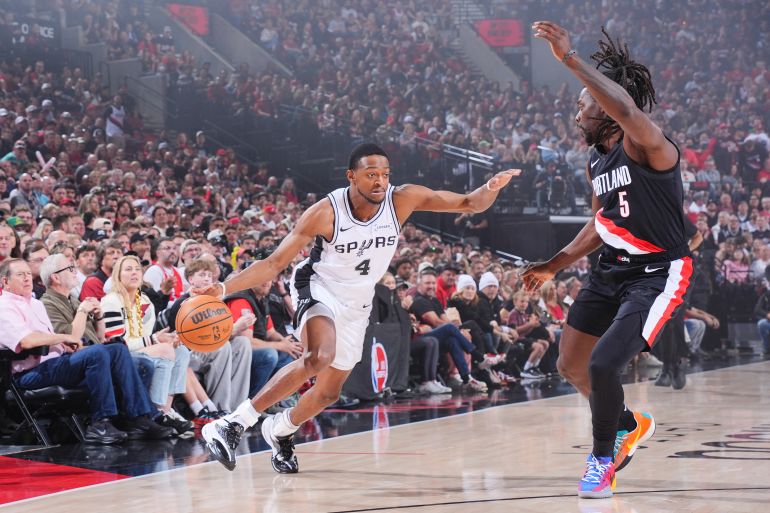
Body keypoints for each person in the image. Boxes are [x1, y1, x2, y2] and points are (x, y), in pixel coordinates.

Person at [199, 143, 518, 472]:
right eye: (371, 175)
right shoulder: (326, 211)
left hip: (359, 298)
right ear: (351, 176)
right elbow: (274, 263)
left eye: (385, 174)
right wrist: (223, 287)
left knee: (327, 394)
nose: (380, 181)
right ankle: (233, 424)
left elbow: (469, 203)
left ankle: (280, 430)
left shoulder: (401, 198)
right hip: (319, 285)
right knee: (317, 356)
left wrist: (490, 187)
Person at [523, 22, 692, 498]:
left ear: (608, 111)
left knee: (602, 366)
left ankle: (603, 460)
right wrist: (555, 263)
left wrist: (571, 59)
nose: (577, 110)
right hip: (612, 268)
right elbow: (603, 223)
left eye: (584, 103)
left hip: (657, 273)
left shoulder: (648, 144)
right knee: (571, 365)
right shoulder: (597, 159)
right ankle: (627, 425)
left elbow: (626, 107)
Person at [0, 258, 174, 444]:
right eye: (20, 275)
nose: (27, 278)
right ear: (5, 282)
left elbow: (52, 338)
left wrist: (66, 343)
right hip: (29, 373)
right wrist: (63, 338)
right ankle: (100, 423)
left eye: (28, 273)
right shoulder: (4, 307)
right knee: (97, 354)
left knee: (116, 350)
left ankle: (138, 418)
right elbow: (26, 341)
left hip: (55, 362)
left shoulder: (36, 304)